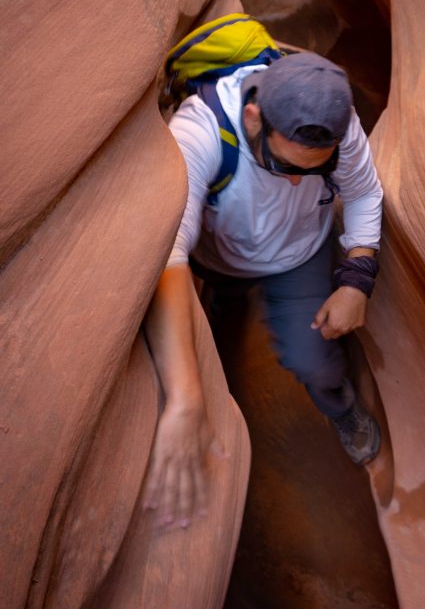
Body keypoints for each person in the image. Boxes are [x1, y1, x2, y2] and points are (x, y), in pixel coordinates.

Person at [143, 51, 383, 530]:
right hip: (220, 260)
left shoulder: (338, 121)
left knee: (313, 361)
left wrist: (358, 277)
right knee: (221, 314)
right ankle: (228, 306)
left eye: (315, 169)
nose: (297, 178)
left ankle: (340, 407)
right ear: (253, 116)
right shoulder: (200, 130)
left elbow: (362, 191)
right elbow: (166, 252)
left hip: (300, 256)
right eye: (281, 163)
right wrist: (187, 399)